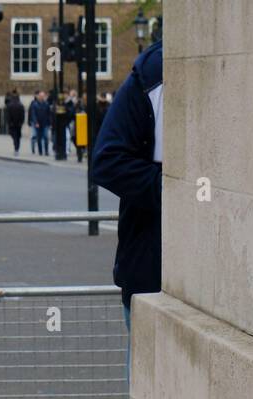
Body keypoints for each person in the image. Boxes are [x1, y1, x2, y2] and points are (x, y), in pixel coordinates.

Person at [93, 38, 163, 339]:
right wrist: (176, 191)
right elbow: (107, 160)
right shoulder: (154, 74)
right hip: (151, 273)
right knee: (149, 381)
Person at [29, 90, 53, 155]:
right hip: (38, 124)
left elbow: (49, 114)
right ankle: (40, 151)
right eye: (40, 96)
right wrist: (36, 122)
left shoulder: (47, 104)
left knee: (46, 137)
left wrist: (50, 123)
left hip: (45, 123)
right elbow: (33, 114)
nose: (42, 97)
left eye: (43, 96)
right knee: (39, 138)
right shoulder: (34, 104)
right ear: (38, 97)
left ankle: (46, 151)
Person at [4, 89, 24, 155]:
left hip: (12, 124)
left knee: (14, 136)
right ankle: (17, 148)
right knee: (18, 136)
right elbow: (22, 115)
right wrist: (21, 122)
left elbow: (8, 115)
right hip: (18, 124)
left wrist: (9, 123)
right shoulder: (21, 105)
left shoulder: (9, 105)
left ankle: (16, 148)